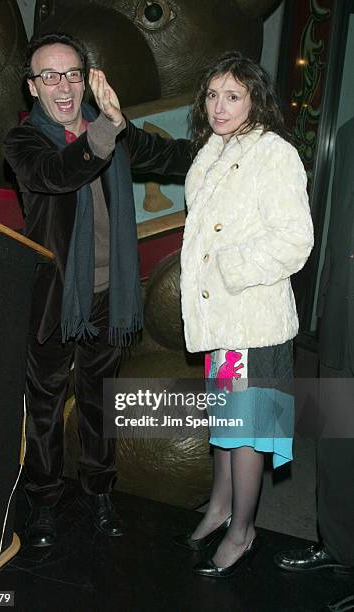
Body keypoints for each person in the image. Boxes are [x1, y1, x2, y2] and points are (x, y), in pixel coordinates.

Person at [4, 31, 191, 547]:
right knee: (43, 408)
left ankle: (100, 494)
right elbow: (60, 174)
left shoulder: (113, 129)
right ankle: (42, 501)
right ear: (31, 87)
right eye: (49, 75)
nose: (63, 86)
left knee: (99, 403)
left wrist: (233, 145)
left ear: (86, 79)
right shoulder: (24, 142)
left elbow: (171, 156)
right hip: (55, 301)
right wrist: (107, 128)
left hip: (112, 297)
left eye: (72, 73)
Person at [177, 51, 314, 578]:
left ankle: (243, 531)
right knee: (226, 425)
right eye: (212, 95)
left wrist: (230, 268)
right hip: (221, 324)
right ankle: (219, 507)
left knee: (249, 429)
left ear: (255, 98)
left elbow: (296, 240)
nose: (219, 106)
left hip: (253, 321)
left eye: (232, 95)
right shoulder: (214, 149)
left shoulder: (275, 154)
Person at [274, 117, 354, 611]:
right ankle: (339, 546)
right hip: (344, 317)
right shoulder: (347, 133)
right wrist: (325, 304)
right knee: (335, 443)